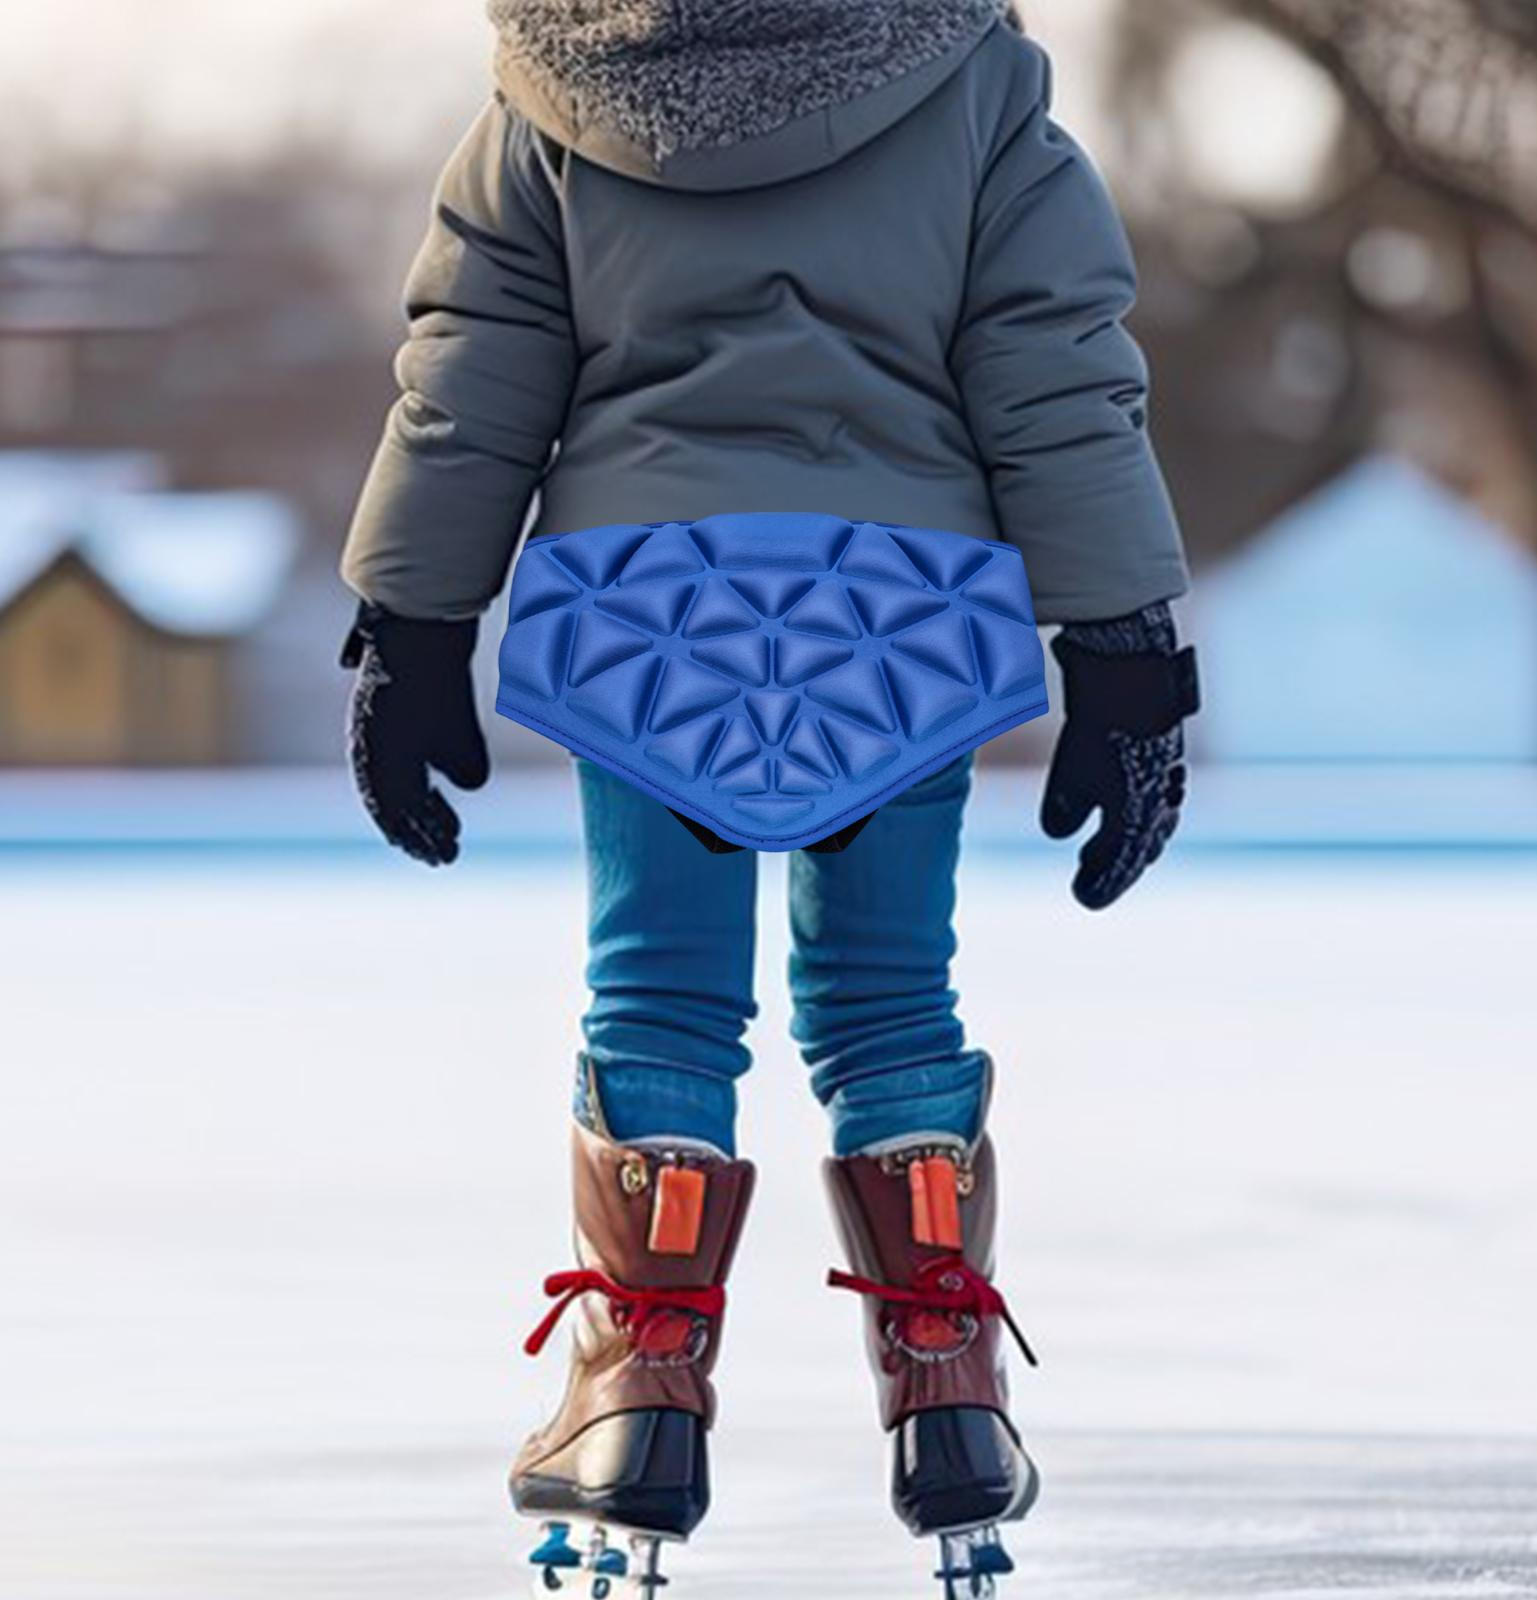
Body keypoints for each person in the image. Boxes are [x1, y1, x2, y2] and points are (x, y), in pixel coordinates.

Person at [339, 2, 1198, 1592]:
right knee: (886, 1007)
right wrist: (1123, 645)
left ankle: (639, 1393)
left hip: (648, 610)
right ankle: (947, 1392)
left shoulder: (558, 80)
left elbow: (475, 359)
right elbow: (1056, 362)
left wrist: (417, 617)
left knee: (661, 1005)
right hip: (901, 614)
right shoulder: (969, 74)